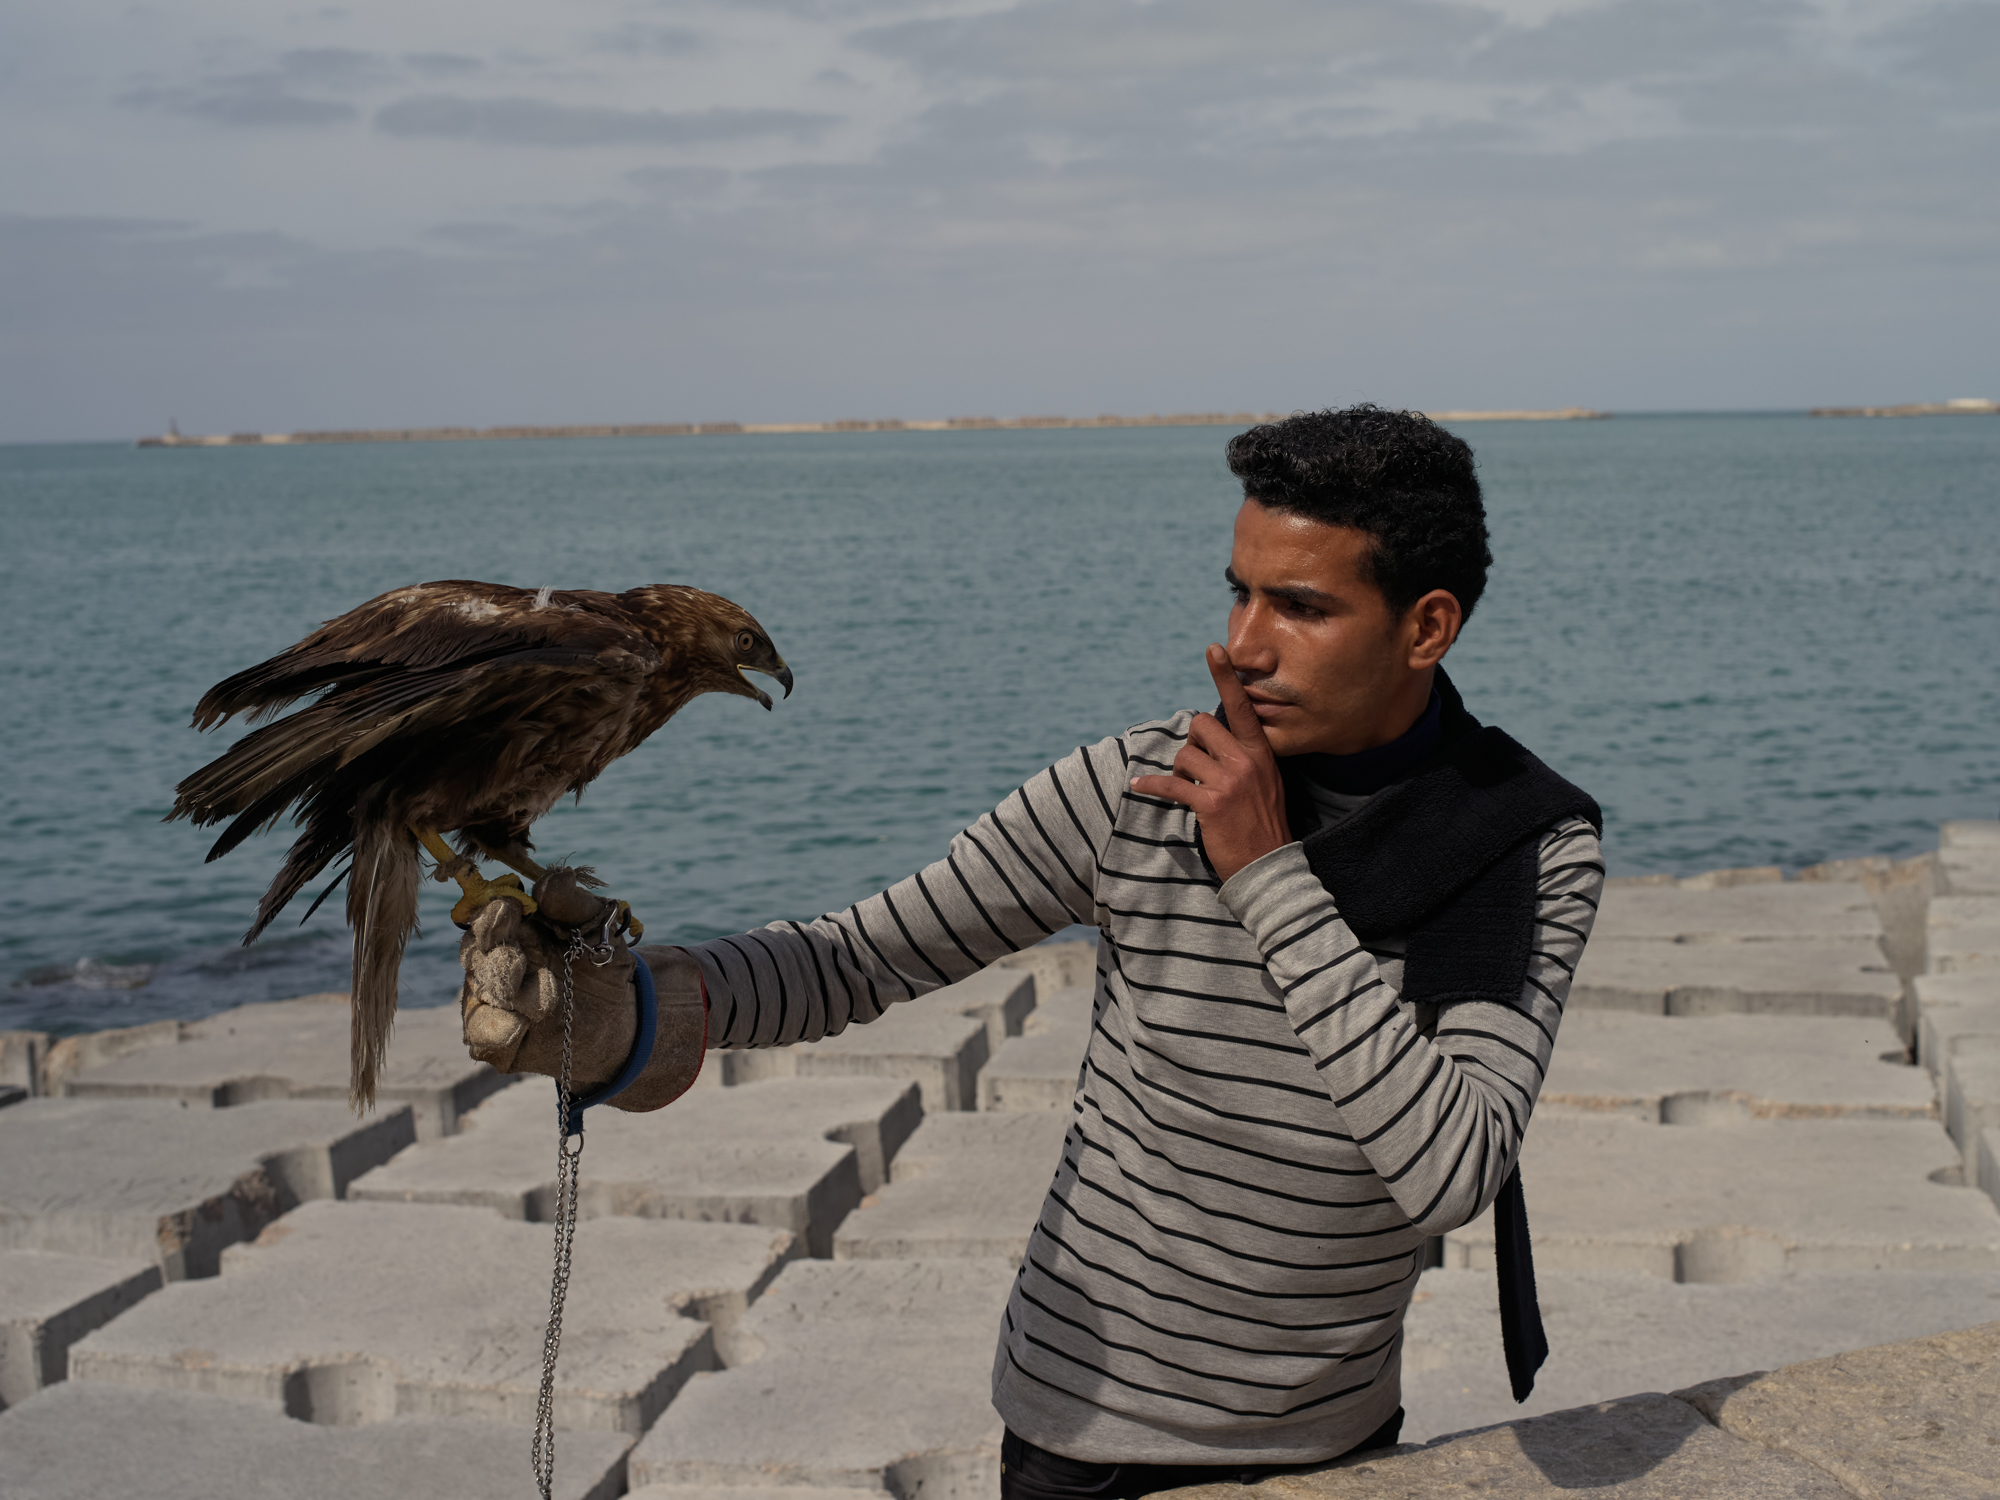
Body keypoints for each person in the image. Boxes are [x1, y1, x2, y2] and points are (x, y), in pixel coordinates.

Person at [457, 405, 1605, 1499]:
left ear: (1425, 626)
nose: (1241, 645)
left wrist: (1263, 872)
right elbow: (864, 957)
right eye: (1237, 593)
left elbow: (1451, 1169)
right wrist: (624, 1016)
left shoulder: (1519, 842)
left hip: (1332, 1444)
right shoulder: (1141, 787)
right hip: (1078, 1438)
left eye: (1299, 608)